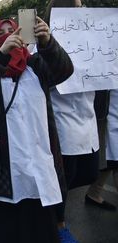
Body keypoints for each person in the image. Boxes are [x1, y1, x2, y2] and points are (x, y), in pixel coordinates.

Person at [0, 17, 73, 243]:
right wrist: (2, 56)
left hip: (36, 170)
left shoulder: (35, 65)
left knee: (37, 232)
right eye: (2, 32)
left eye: (12, 30)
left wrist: (48, 42)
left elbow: (64, 71)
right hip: (0, 171)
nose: (8, 35)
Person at [45, 1, 102, 242]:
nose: (83, 8)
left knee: (89, 173)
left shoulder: (96, 40)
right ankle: (58, 225)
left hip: (87, 120)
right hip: (62, 122)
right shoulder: (46, 45)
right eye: (77, 5)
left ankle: (46, 202)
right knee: (63, 179)